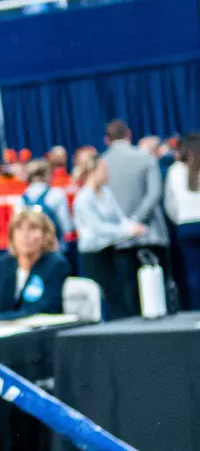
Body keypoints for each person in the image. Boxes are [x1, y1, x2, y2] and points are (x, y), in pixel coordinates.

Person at [103, 118, 169, 317]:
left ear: (107, 140)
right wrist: (137, 219)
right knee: (159, 289)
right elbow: (155, 193)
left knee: (128, 291)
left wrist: (126, 225)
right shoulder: (145, 158)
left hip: (120, 238)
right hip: (150, 234)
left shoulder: (102, 163)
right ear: (129, 134)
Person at [73, 153, 145, 320]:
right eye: (104, 170)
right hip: (93, 254)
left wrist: (133, 225)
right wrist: (127, 231)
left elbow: (119, 219)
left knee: (117, 295)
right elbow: (97, 228)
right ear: (92, 172)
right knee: (101, 297)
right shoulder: (83, 198)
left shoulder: (106, 193)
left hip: (109, 250)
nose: (108, 174)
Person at [0, 209, 71, 327]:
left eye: (32, 229)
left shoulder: (56, 265)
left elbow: (41, 309)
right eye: (19, 229)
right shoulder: (0, 265)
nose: (25, 235)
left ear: (45, 236)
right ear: (12, 236)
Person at [164, 133, 200, 310]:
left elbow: (169, 204)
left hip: (185, 227)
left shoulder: (175, 170)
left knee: (193, 275)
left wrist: (179, 220)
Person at [19, 158, 74, 247]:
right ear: (48, 174)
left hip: (30, 246)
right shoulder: (56, 194)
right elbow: (67, 226)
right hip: (53, 246)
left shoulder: (21, 198)